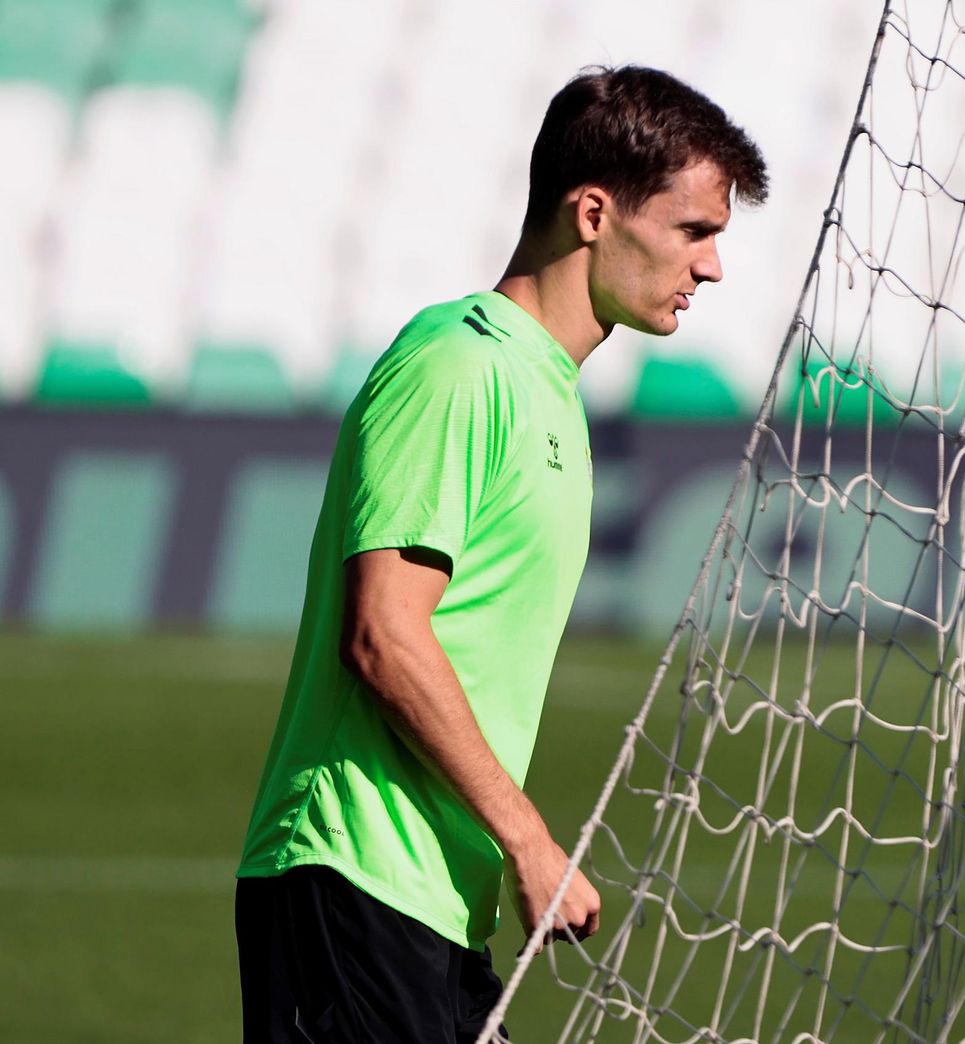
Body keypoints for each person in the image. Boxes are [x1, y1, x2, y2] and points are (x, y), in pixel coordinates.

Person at [234, 65, 768, 1042]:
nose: (711, 267)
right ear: (596, 212)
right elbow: (383, 636)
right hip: (351, 880)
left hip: (432, 906)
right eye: (695, 230)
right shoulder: (459, 363)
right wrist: (526, 837)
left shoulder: (547, 389)